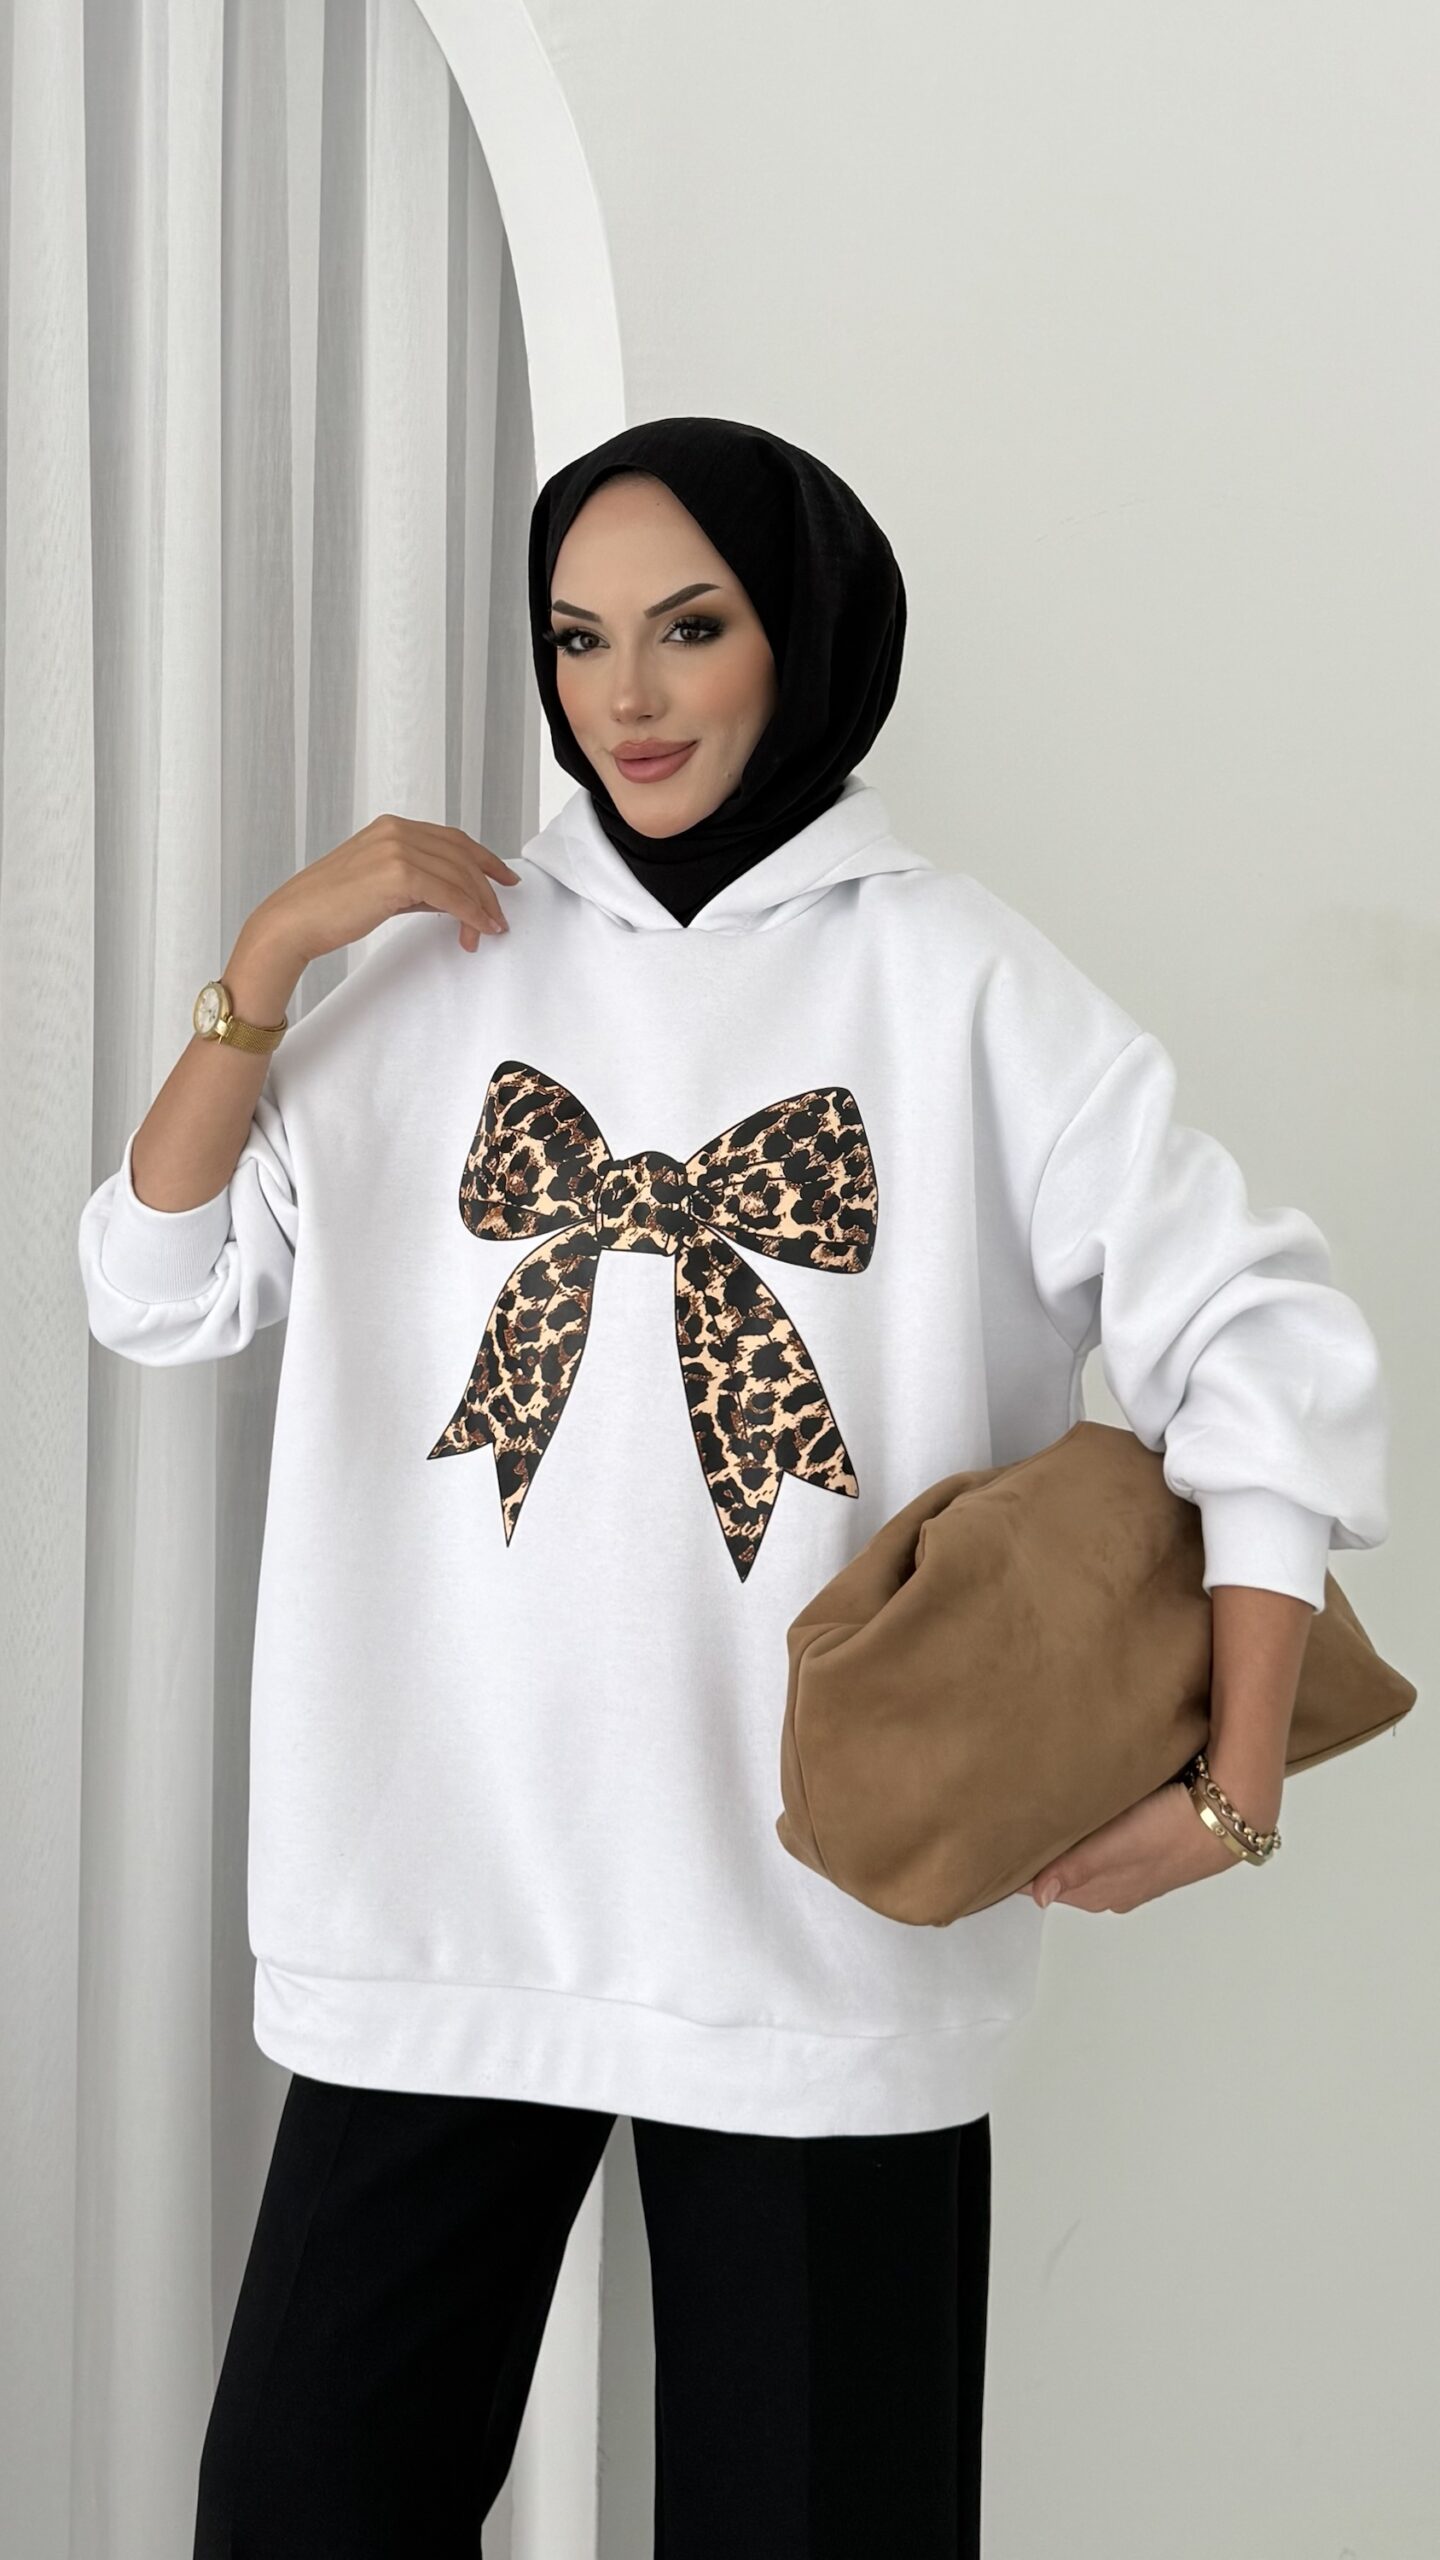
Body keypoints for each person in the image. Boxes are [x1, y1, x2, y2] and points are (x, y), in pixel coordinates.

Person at [76, 416, 1390, 2556]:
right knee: (300, 2507)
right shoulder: (436, 966)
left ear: (808, 634)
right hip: (444, 1891)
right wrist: (273, 956)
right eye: (580, 636)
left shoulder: (959, 982)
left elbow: (1255, 1330)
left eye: (692, 627)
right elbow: (155, 1287)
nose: (630, 693)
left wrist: (1238, 1783)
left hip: (817, 1922)